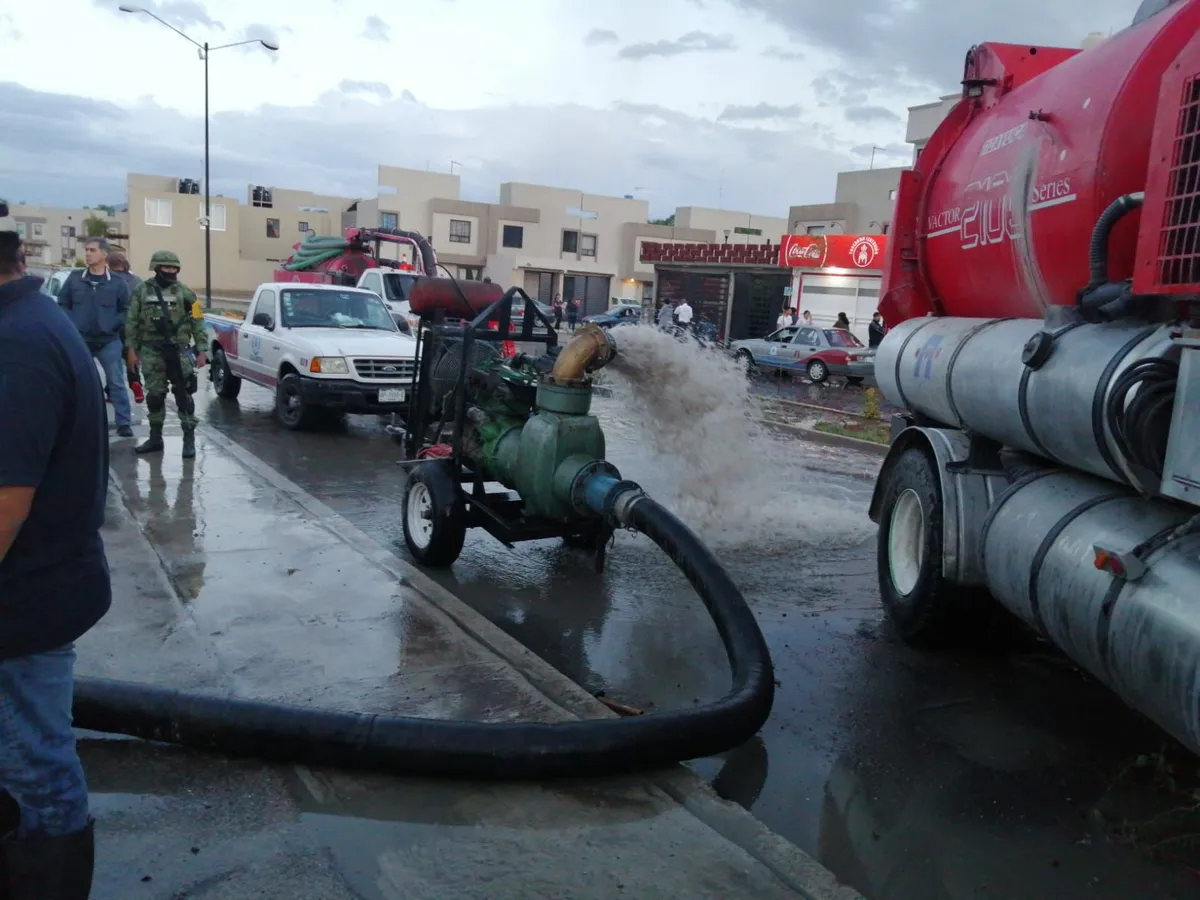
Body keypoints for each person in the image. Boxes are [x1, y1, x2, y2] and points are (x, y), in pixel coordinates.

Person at [0, 228, 109, 897]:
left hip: (21, 604)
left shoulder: (17, 345)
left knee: (36, 770)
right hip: (43, 586)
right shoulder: (34, 321)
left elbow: (6, 501)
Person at [126, 250, 208, 459]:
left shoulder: (186, 293)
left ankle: (188, 440)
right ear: (156, 268)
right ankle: (155, 438)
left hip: (179, 351)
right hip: (152, 350)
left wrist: (202, 350)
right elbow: (132, 322)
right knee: (155, 396)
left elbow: (198, 321)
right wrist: (131, 351)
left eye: (174, 268)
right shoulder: (141, 291)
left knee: (184, 395)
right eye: (166, 268)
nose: (171, 271)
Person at [56, 237, 133, 438]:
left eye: (92, 250)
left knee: (116, 382)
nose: (88, 254)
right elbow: (63, 303)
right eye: (86, 250)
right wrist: (72, 323)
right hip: (80, 340)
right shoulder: (75, 279)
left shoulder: (117, 282)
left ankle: (124, 422)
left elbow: (126, 309)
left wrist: (114, 323)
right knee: (77, 382)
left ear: (104, 255)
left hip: (109, 341)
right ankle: (75, 422)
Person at [107, 251, 145, 405]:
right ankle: (135, 382)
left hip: (114, 326)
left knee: (113, 362)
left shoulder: (109, 280)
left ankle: (111, 391)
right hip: (134, 326)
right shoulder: (137, 281)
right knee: (132, 358)